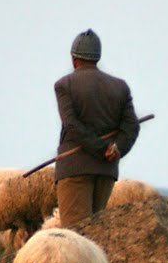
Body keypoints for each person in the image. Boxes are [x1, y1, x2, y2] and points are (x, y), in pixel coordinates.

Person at [53, 28, 140, 228]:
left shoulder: (65, 85)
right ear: (97, 58)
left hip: (75, 168)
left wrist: (101, 149)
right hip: (106, 171)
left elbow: (72, 125)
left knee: (77, 236)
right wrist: (115, 148)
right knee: (96, 232)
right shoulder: (120, 87)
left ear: (74, 59)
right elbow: (132, 126)